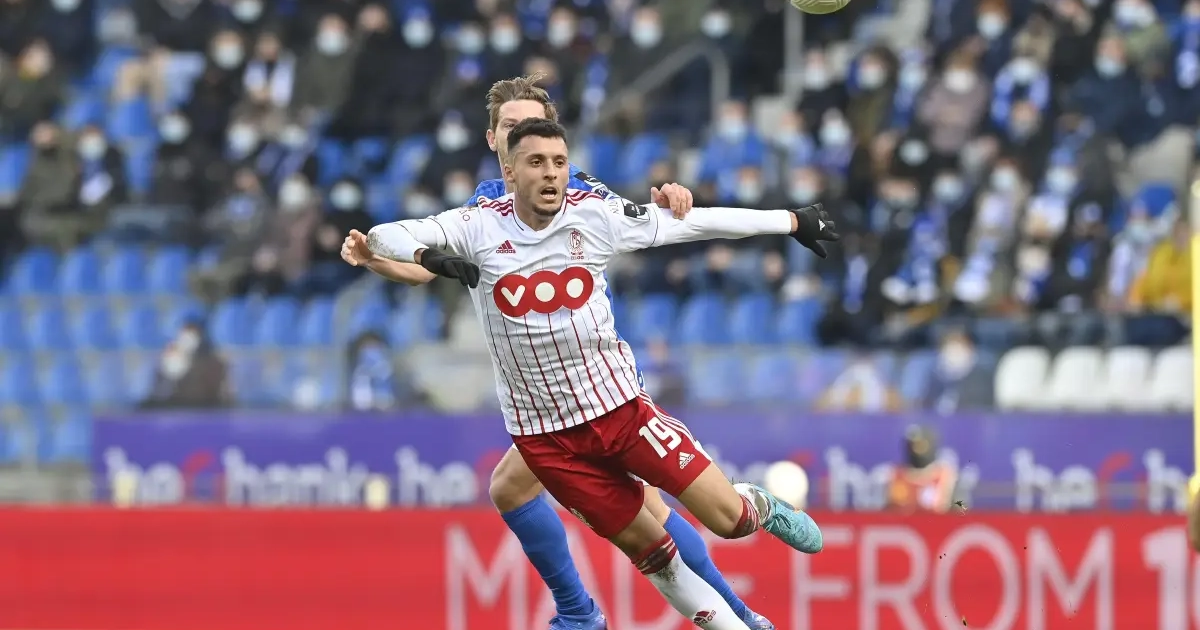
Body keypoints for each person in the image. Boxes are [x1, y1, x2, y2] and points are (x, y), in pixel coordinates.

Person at [355, 117, 834, 630]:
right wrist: (431, 257)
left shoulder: (596, 215)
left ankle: (756, 504)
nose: (550, 173)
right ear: (510, 172)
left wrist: (790, 221)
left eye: (559, 163)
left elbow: (693, 224)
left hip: (619, 411)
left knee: (729, 521)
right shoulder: (477, 226)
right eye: (536, 162)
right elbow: (385, 235)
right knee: (655, 557)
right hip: (546, 440)